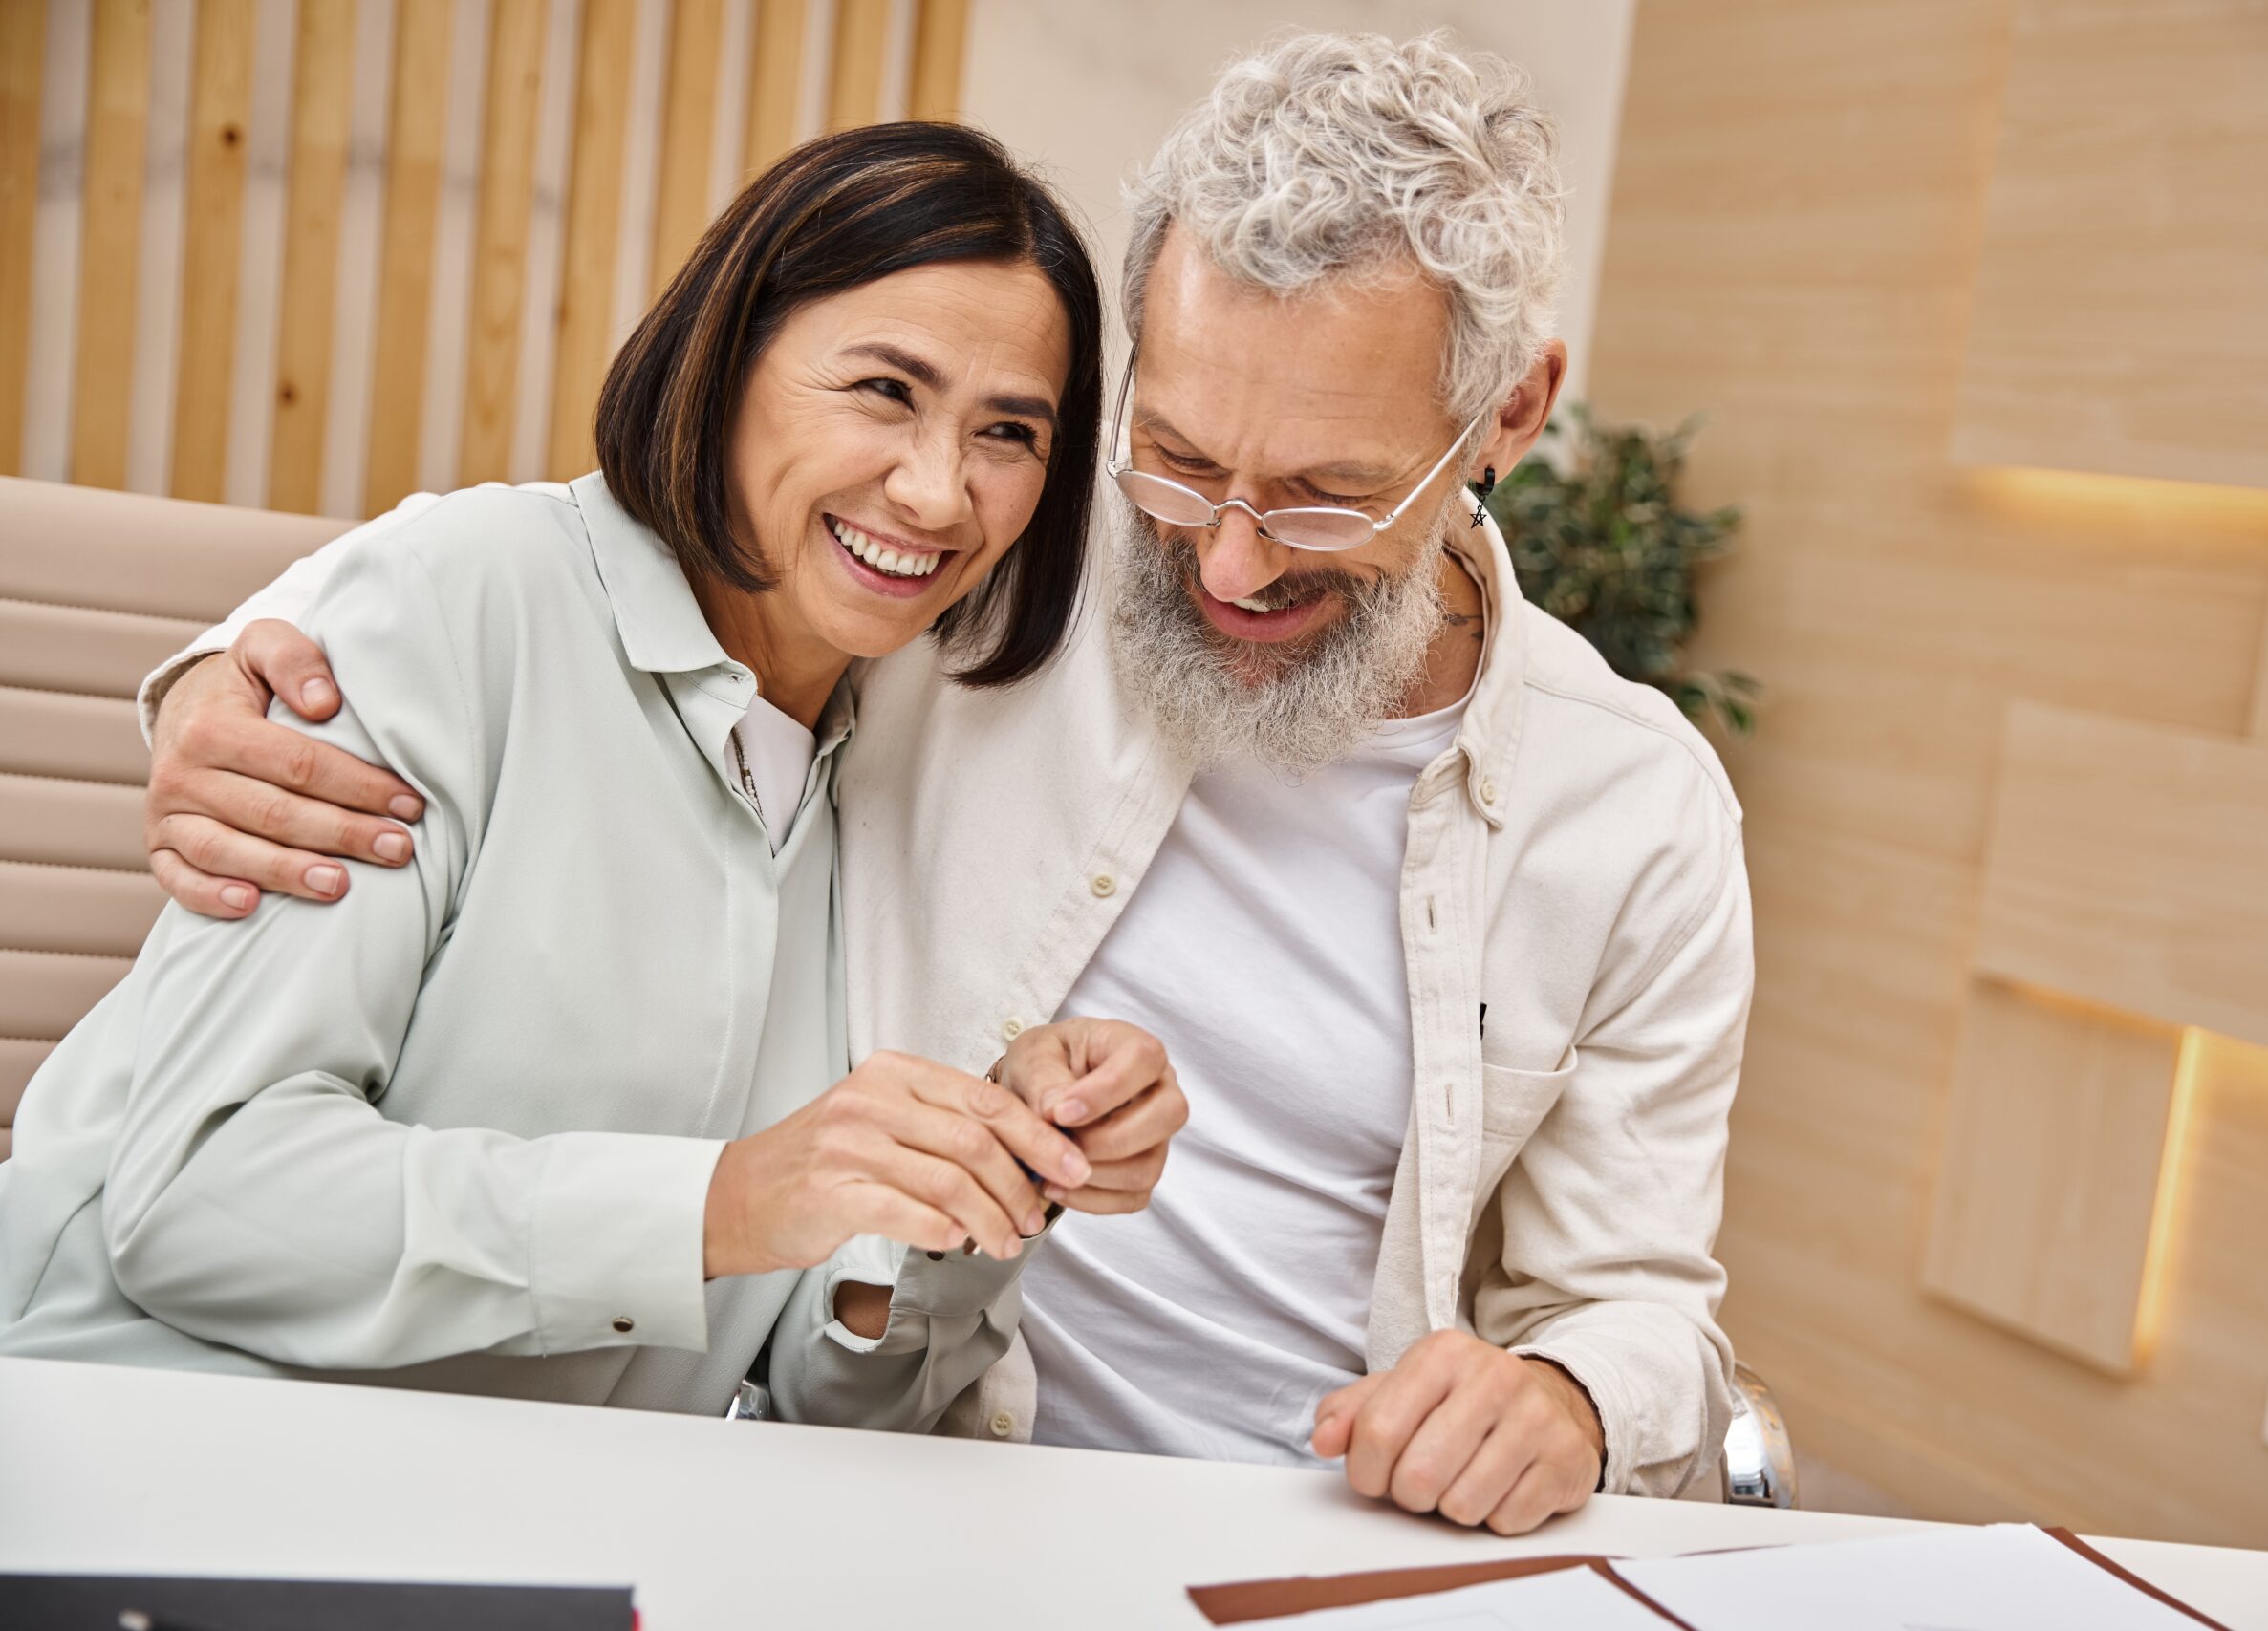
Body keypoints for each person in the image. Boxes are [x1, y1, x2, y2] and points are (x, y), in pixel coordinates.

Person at [136, 32, 1751, 1534]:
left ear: (1508, 416)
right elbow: (662, 538)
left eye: (1326, 496)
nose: (1234, 561)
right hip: (925, 1499)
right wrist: (229, 667)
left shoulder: (1637, 811)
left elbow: (1641, 1307)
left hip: (1334, 1535)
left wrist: (1569, 1398)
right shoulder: (999, 550)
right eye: (1181, 458)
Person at [0, 123, 1189, 1425]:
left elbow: (827, 1402)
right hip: (136, 1446)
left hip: (554, 1533)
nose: (936, 492)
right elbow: (197, 1201)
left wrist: (970, 1190)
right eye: (884, 390)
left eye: (1007, 432)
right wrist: (723, 1204)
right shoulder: (461, 603)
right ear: (727, 360)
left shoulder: (898, 765)